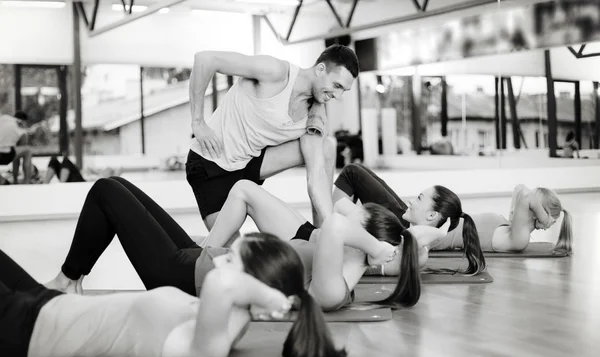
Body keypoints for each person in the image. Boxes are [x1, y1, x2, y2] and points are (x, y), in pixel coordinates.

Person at [44, 177, 447, 312]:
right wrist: (384, 243)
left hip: (187, 275)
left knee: (105, 191)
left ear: (364, 244)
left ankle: (65, 282)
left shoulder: (334, 289)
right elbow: (333, 230)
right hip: (201, 260)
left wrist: (378, 249)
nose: (341, 221)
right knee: (119, 187)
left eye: (356, 226)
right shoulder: (332, 261)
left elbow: (337, 228)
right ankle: (73, 282)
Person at [1, 233, 347, 357]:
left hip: (24, 328)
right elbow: (225, 284)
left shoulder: (210, 346)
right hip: (43, 303)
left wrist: (270, 297)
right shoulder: (217, 318)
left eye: (231, 258)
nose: (219, 259)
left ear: (251, 285)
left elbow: (221, 283)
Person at [187, 45, 359, 239]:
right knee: (231, 251)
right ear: (320, 69)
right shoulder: (275, 72)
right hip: (211, 163)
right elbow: (205, 59)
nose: (338, 96)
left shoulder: (315, 116)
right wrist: (198, 122)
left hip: (248, 163)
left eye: (344, 90)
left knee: (326, 146)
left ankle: (321, 236)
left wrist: (332, 229)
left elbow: (317, 176)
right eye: (337, 86)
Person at [200, 180, 452, 311]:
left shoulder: (399, 251)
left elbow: (337, 218)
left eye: (420, 198)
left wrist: (436, 233)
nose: (411, 200)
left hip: (306, 244)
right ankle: (205, 252)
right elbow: (340, 210)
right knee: (243, 189)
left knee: (243, 190)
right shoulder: (390, 238)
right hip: (308, 241)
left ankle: (204, 252)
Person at [333, 163, 572, 257]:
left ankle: (327, 228)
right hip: (418, 221)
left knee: (353, 173)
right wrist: (544, 217)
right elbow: (521, 189)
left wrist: (546, 218)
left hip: (415, 228)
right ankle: (331, 229)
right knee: (358, 173)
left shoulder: (518, 239)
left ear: (534, 212)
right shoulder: (511, 228)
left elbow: (525, 195)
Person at [333, 163, 486, 274]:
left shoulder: (420, 253)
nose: (411, 201)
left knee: (352, 172)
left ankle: (325, 231)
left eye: (419, 199)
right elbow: (340, 205)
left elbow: (414, 238)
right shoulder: (407, 235)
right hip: (389, 230)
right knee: (355, 171)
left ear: (431, 215)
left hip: (338, 253)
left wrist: (439, 234)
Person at [0, 111, 33, 184]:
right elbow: (21, 147)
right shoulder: (21, 129)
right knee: (27, 151)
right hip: (4, 155)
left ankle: (12, 181)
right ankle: (26, 182)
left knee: (14, 150)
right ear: (24, 121)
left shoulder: (4, 117)